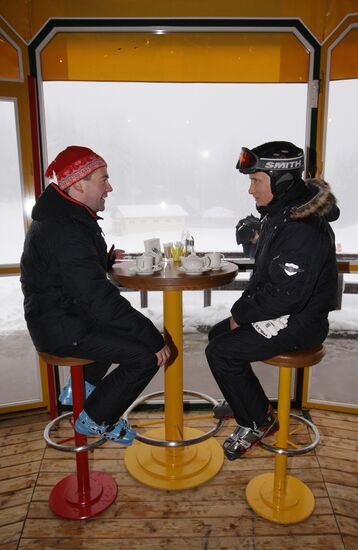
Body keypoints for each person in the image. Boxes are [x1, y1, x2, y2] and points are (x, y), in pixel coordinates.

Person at [21, 145, 171, 445]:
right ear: (78, 183)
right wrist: (151, 336)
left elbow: (67, 273)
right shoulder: (67, 228)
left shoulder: (66, 218)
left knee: (126, 333)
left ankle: (81, 391)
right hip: (62, 327)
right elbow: (97, 299)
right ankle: (96, 419)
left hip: (63, 316)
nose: (109, 187)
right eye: (104, 179)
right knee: (146, 356)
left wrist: (101, 260)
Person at [205, 141, 339, 460]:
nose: (251, 190)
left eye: (256, 181)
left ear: (281, 181)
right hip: (291, 312)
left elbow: (285, 293)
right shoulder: (280, 214)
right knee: (218, 336)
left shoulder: (302, 226)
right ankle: (245, 402)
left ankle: (258, 421)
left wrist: (242, 314)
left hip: (301, 322)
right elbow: (271, 275)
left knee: (221, 352)